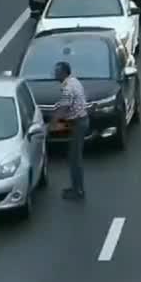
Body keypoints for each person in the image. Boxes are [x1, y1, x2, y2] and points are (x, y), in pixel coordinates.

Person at [51, 61, 89, 200]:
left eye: (57, 71)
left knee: (74, 158)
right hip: (79, 121)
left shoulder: (67, 87)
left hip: (77, 123)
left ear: (64, 73)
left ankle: (78, 190)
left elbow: (64, 108)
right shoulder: (74, 81)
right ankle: (76, 187)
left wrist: (52, 124)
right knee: (73, 156)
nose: (55, 74)